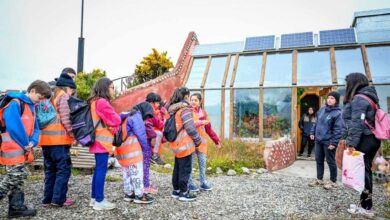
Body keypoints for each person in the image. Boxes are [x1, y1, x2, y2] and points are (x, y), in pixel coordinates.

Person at [0, 80, 51, 218]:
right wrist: (26, 143)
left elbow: (36, 127)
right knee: (16, 176)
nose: (40, 102)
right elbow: (13, 127)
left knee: (18, 178)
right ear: (32, 91)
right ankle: (16, 206)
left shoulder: (32, 106)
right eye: (40, 98)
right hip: (12, 148)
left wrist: (33, 142)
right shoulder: (15, 103)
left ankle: (16, 207)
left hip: (22, 148)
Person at [343, 73, 381, 218]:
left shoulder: (359, 99)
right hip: (371, 139)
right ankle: (364, 204)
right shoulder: (370, 96)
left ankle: (367, 207)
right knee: (364, 171)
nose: (346, 85)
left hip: (364, 139)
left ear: (354, 83)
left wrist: (351, 143)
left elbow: (357, 123)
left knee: (363, 173)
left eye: (347, 83)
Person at [39, 73, 76, 207]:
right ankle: (58, 199)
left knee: (50, 170)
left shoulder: (48, 97)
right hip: (59, 141)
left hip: (45, 141)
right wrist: (73, 135)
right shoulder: (63, 97)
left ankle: (47, 199)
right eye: (72, 90)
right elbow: (66, 119)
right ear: (67, 87)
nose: (72, 93)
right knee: (63, 169)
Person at [88, 77, 121, 210]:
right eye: (112, 87)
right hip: (102, 142)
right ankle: (99, 201)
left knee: (98, 170)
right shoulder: (102, 102)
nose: (114, 90)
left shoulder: (94, 101)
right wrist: (120, 116)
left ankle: (94, 198)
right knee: (101, 169)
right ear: (105, 88)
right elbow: (115, 120)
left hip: (96, 140)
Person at [167, 87, 201, 202]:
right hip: (185, 144)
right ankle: (184, 193)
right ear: (186, 96)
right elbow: (190, 128)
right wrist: (198, 140)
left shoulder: (174, 110)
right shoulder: (185, 110)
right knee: (185, 169)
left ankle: (176, 190)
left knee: (177, 168)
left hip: (176, 144)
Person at [116, 105, 155, 204]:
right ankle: (139, 195)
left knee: (127, 173)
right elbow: (141, 134)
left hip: (122, 150)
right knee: (137, 173)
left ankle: (129, 194)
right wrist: (146, 148)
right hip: (133, 151)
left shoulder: (125, 117)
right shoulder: (136, 116)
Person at [308, 91, 343, 190]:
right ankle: (319, 179)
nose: (329, 100)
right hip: (318, 140)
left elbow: (338, 130)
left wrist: (334, 142)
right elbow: (316, 123)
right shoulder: (322, 110)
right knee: (318, 160)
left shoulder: (337, 113)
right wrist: (312, 132)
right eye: (328, 98)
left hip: (329, 142)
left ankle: (333, 181)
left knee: (330, 161)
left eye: (332, 98)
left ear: (336, 101)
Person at [188, 93, 221, 192]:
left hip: (202, 143)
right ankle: (190, 183)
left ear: (200, 102)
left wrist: (216, 141)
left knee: (202, 163)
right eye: (192, 100)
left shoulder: (204, 114)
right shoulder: (188, 112)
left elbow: (209, 129)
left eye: (195, 100)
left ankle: (203, 182)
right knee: (190, 163)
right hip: (191, 142)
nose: (193, 102)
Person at [133, 102, 158, 194]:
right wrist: (154, 137)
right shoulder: (146, 122)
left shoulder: (136, 120)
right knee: (145, 167)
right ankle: (146, 187)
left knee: (138, 168)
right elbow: (152, 134)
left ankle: (137, 186)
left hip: (136, 147)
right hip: (146, 146)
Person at [146, 92, 167, 165]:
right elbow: (158, 123)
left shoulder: (144, 107)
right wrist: (164, 121)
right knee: (159, 134)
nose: (158, 105)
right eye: (157, 103)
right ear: (152, 103)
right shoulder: (151, 110)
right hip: (146, 131)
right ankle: (154, 156)